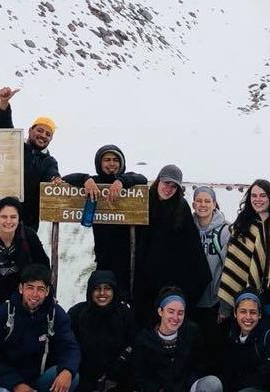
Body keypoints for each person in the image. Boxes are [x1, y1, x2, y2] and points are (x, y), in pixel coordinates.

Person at [0, 264, 81, 392]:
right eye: (30, 288)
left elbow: (70, 347)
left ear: (47, 292)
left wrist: (67, 370)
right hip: (9, 383)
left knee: (72, 376)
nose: (35, 294)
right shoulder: (2, 315)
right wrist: (15, 383)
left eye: (40, 289)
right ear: (21, 288)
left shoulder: (55, 314)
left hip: (39, 381)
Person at [130, 287, 221, 392]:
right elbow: (139, 375)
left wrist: (186, 383)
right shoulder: (144, 338)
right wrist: (160, 390)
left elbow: (201, 364)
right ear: (160, 311)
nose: (175, 317)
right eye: (170, 311)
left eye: (180, 313)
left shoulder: (192, 331)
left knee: (214, 384)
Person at [62, 145, 148, 299]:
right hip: (103, 256)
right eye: (107, 160)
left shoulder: (128, 180)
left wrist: (121, 181)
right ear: (99, 163)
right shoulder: (95, 181)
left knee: (126, 298)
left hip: (128, 257)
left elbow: (141, 178)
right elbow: (66, 178)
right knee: (101, 299)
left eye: (115, 160)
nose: (111, 163)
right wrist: (86, 179)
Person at [132, 165, 208, 329]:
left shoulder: (181, 207)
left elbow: (192, 249)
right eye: (166, 183)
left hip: (169, 284)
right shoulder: (142, 201)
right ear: (158, 180)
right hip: (143, 281)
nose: (169, 189)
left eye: (174, 186)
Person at [0, 86, 62, 231]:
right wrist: (4, 103)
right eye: (40, 130)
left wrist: (55, 180)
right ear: (30, 130)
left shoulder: (49, 162)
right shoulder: (14, 145)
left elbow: (52, 177)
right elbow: (3, 129)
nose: (43, 135)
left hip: (27, 225)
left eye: (48, 134)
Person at [218, 180, 270, 333]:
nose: (258, 199)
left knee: (269, 335)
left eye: (263, 195)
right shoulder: (243, 223)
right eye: (254, 196)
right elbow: (232, 263)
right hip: (241, 291)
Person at [66, 270, 137, 392]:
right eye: (97, 289)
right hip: (85, 373)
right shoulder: (77, 314)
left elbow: (133, 343)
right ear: (90, 291)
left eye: (107, 288)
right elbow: (68, 346)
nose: (102, 293)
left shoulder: (125, 314)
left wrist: (116, 370)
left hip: (116, 373)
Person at [0, 197, 50, 321]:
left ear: (19, 218)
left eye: (13, 217)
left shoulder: (29, 236)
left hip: (25, 297)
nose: (8, 221)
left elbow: (44, 267)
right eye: (4, 217)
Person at [190, 185, 231, 355]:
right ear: (193, 204)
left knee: (214, 350)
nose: (203, 204)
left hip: (214, 303)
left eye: (207, 201)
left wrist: (225, 307)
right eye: (199, 201)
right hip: (191, 302)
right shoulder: (187, 227)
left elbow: (230, 269)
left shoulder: (225, 231)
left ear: (214, 204)